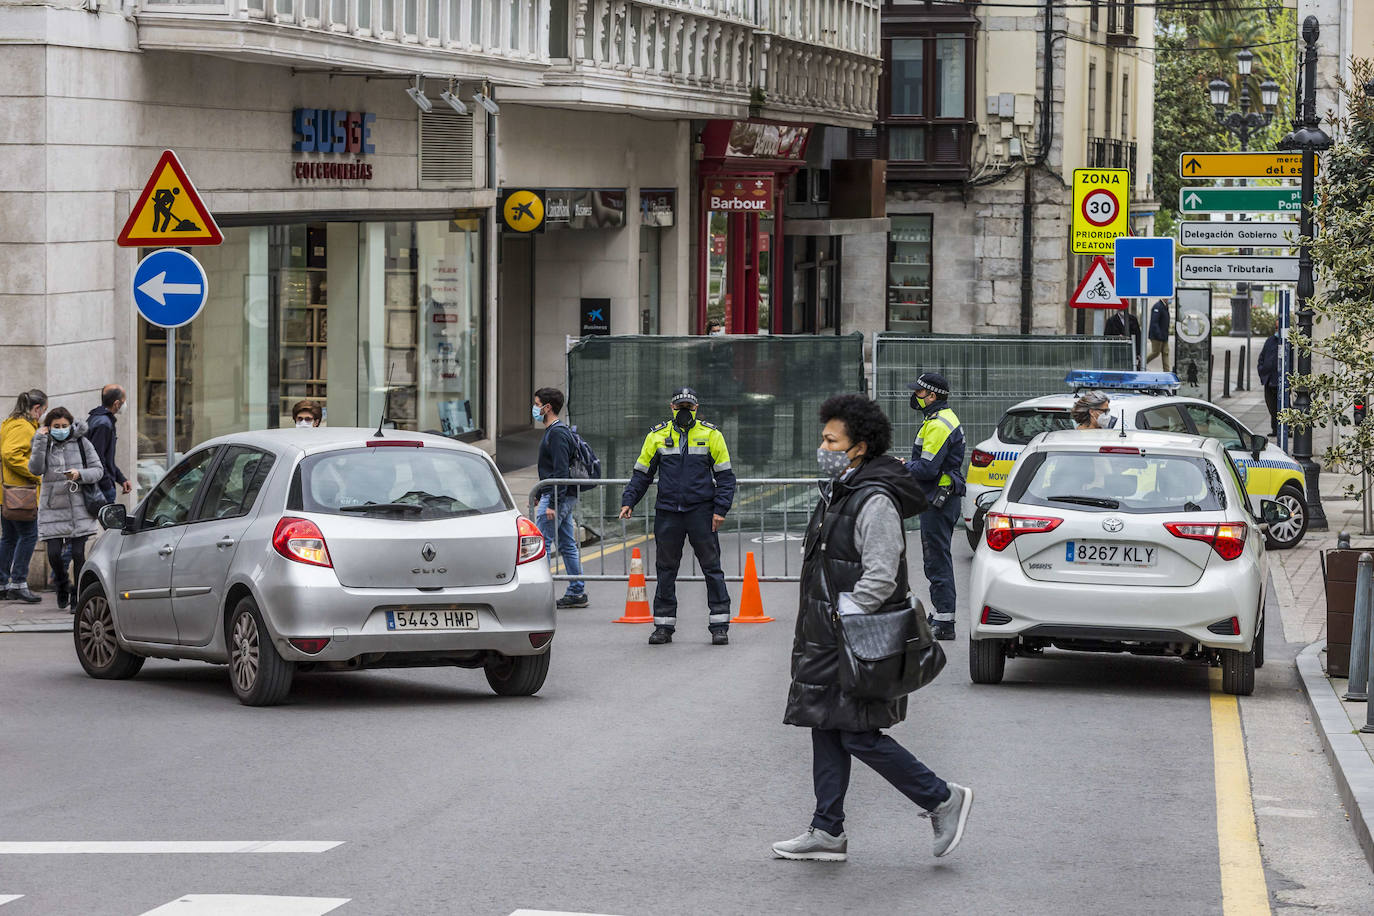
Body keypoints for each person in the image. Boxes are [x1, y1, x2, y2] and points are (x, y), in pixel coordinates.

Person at [773, 394, 973, 863]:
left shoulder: (873, 498)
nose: (822, 446)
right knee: (824, 725)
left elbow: (881, 572)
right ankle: (827, 831)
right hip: (828, 636)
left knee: (858, 732)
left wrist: (846, 615)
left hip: (852, 638)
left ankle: (941, 797)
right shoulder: (842, 488)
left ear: (858, 447)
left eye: (831, 439)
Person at [619, 387, 736, 645]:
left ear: (696, 408)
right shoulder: (657, 436)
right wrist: (629, 501)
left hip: (701, 512)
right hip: (668, 513)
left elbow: (726, 478)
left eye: (689, 407)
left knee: (712, 568)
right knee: (666, 570)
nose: (685, 411)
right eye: (680, 406)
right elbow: (642, 474)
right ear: (671, 408)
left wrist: (720, 510)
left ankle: (720, 625)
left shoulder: (711, 435)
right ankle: (663, 626)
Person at [904, 372, 965, 642]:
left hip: (938, 500)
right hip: (940, 497)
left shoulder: (939, 424)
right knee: (936, 557)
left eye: (919, 392)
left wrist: (903, 466)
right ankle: (942, 614)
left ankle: (945, 620)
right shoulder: (937, 419)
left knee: (936, 559)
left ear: (932, 396)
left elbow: (928, 468)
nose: (915, 396)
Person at [28, 408, 103, 612]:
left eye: (64, 426)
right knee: (53, 554)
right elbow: (34, 469)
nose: (61, 430)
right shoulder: (45, 443)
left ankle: (77, 597)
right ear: (48, 427)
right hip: (53, 508)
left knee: (78, 554)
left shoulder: (82, 443)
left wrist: (79, 474)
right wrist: (40, 441)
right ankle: (62, 585)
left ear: (70, 425)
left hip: (79, 508)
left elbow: (98, 470)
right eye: (56, 427)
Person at [533, 387, 587, 609]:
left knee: (541, 544)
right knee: (566, 544)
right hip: (556, 494)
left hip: (557, 496)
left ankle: (540, 595)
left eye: (537, 405)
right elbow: (550, 469)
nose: (535, 409)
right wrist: (539, 493)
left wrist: (553, 503)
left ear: (547, 407)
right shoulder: (555, 431)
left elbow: (561, 471)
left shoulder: (557, 433)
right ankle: (577, 591)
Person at [1, 389, 47, 603]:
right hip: (20, 494)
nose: (43, 415)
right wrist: (34, 474)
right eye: (43, 410)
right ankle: (18, 582)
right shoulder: (23, 426)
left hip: (7, 494)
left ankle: (2, 583)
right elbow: (11, 454)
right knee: (28, 536)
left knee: (9, 538)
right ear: (36, 409)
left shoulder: (10, 423)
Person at [86, 384, 133, 505]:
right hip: (101, 488)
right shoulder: (103, 424)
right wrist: (107, 486)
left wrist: (121, 479)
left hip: (101, 485)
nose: (125, 404)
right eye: (124, 401)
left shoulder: (99, 419)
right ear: (117, 404)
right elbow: (98, 458)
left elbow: (108, 459)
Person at [1257, 331, 1290, 437]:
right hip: (1268, 379)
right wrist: (1262, 371)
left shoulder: (1288, 342)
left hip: (1280, 380)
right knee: (1271, 405)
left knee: (1283, 405)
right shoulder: (1270, 340)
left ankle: (1286, 428)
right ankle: (1275, 429)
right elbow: (1262, 357)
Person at [1148, 299, 1171, 372]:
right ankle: (1141, 364)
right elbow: (1154, 322)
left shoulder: (1165, 306)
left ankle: (1167, 371)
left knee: (1165, 352)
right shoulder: (1157, 306)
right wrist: (1159, 335)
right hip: (1156, 336)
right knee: (1155, 352)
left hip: (1164, 336)